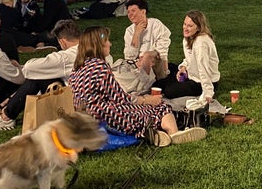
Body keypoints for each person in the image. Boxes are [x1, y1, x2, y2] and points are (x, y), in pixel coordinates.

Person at [69, 26, 206, 145]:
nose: (110, 44)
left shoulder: (77, 68)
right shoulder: (100, 67)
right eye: (106, 41)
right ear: (99, 45)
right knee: (159, 107)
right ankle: (174, 134)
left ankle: (156, 135)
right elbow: (121, 99)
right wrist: (147, 100)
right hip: (105, 117)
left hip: (86, 116)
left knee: (142, 106)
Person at [0, 20, 81, 131]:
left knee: (37, 77)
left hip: (73, 101)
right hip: (86, 98)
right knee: (41, 74)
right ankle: (5, 112)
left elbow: (28, 68)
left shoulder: (65, 57)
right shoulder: (90, 47)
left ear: (62, 42)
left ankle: (6, 116)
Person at [157, 11, 220, 103]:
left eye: (190, 26)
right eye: (185, 24)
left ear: (198, 28)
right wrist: (183, 67)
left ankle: (174, 84)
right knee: (159, 82)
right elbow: (189, 59)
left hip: (201, 82)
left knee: (168, 91)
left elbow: (203, 68)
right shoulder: (188, 38)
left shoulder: (201, 43)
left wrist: (208, 92)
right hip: (191, 74)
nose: (185, 28)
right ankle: (173, 81)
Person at [121, 0, 171, 93]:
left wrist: (164, 72)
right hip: (136, 64)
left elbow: (162, 50)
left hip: (155, 61)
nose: (130, 14)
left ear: (143, 11)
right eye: (128, 12)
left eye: (133, 11)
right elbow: (129, 57)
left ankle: (145, 86)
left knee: (147, 56)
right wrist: (136, 35)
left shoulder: (155, 24)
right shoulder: (129, 31)